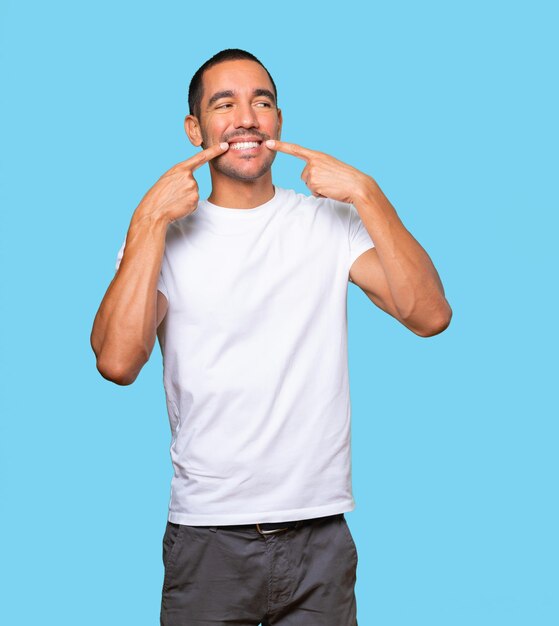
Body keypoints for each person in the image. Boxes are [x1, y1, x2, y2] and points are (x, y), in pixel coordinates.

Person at [90, 48, 452, 626]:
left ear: (279, 121)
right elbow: (116, 361)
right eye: (224, 103)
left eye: (262, 101)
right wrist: (146, 223)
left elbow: (430, 315)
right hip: (209, 539)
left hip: (321, 537)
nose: (246, 117)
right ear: (195, 129)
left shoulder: (327, 223)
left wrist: (366, 190)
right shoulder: (163, 236)